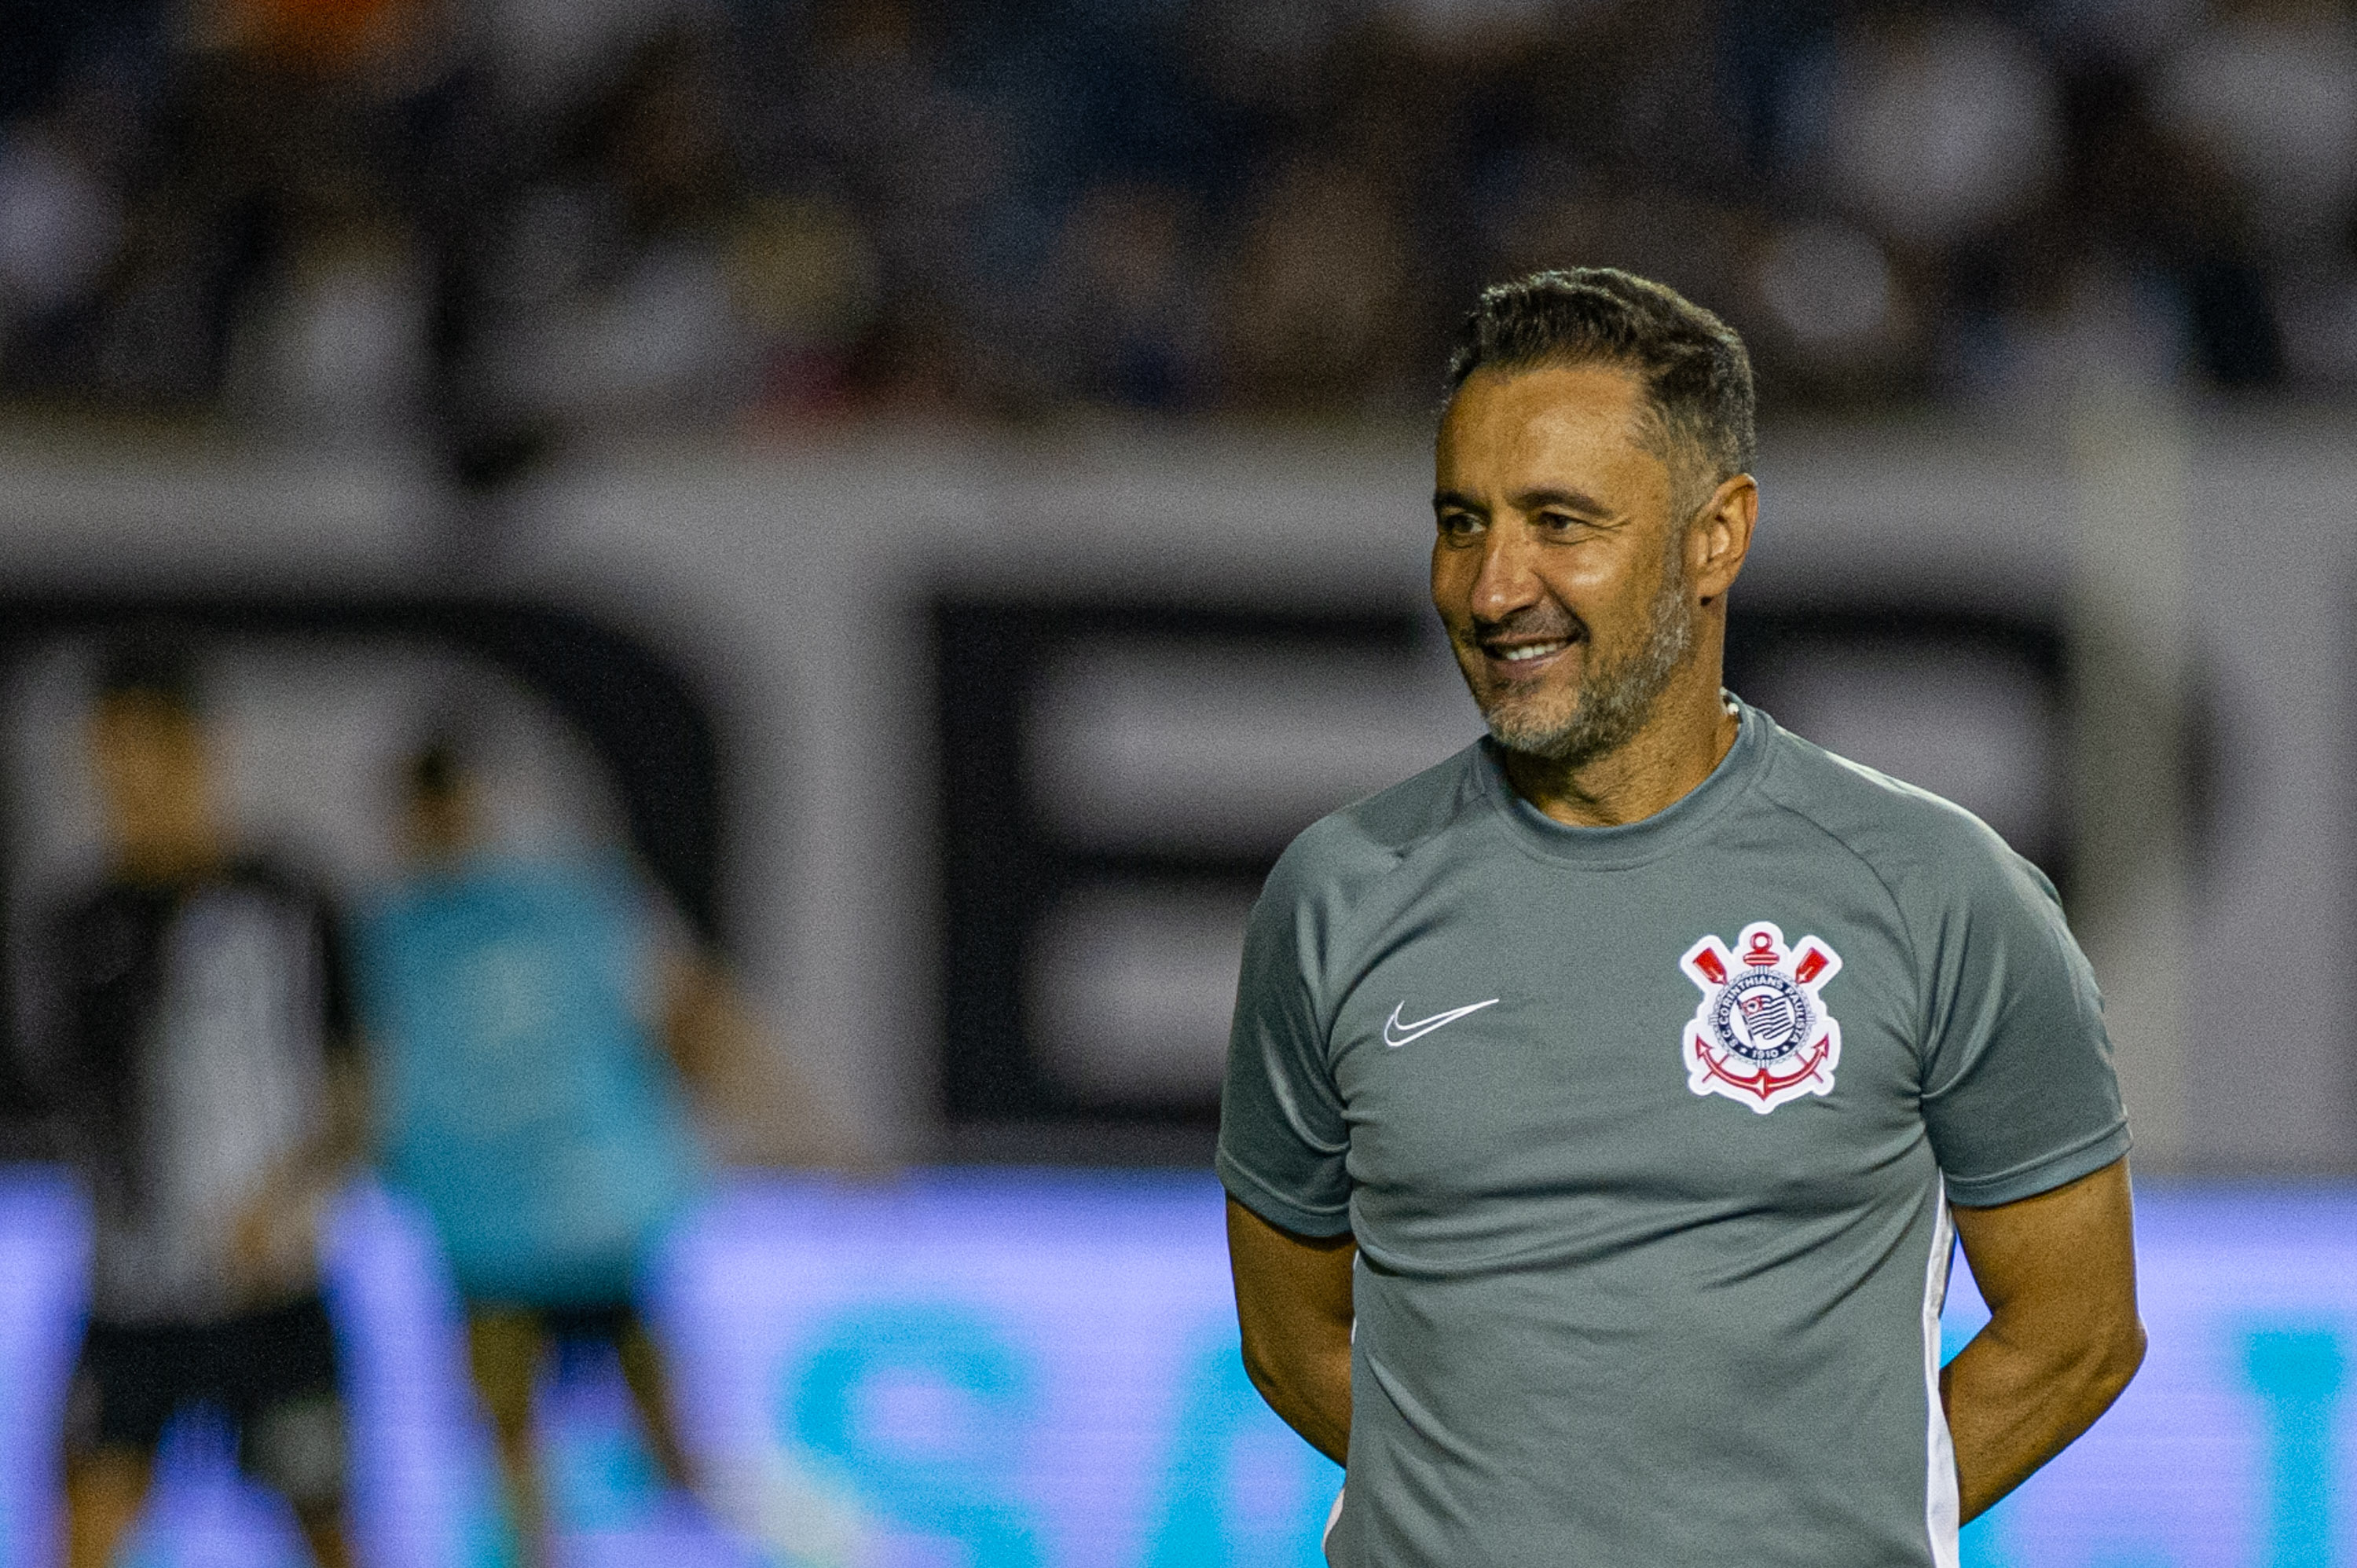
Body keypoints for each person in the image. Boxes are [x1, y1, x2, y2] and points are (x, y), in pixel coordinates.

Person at [1219, 268, 2144, 1566]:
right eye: (1462, 521)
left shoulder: (1938, 892)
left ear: (1717, 536)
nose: (1495, 589)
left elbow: (2078, 1329)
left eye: (1559, 521)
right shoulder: (1337, 893)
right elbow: (1289, 1334)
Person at [21, 637, 358, 1568]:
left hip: (273, 1298)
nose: (123, 794)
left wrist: (291, 1200)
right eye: (104, 768)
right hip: (134, 1298)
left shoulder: (287, 896)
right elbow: (60, 1093)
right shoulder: (79, 921)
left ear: (198, 752)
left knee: (329, 1531)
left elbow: (355, 1081)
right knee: (84, 1530)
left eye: (140, 762)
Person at [347, 736, 721, 1566]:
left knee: (673, 1460)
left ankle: (833, 1544)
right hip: (498, 1242)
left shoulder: (569, 902)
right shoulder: (400, 930)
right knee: (516, 1456)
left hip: (587, 1226)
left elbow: (691, 1019)